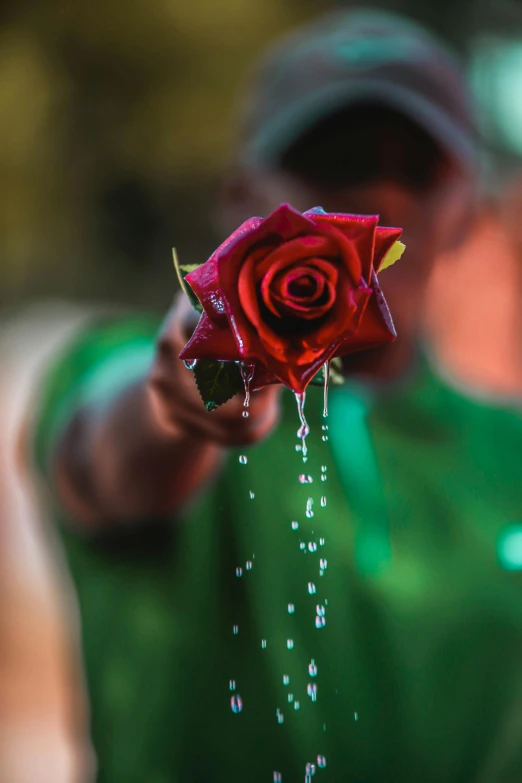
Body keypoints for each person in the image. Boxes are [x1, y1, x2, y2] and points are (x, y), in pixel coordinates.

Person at [30, 9, 522, 783]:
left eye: (415, 168)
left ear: (465, 211)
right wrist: (186, 395)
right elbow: (108, 453)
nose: (376, 200)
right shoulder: (119, 362)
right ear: (239, 196)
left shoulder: (510, 455)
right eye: (334, 162)